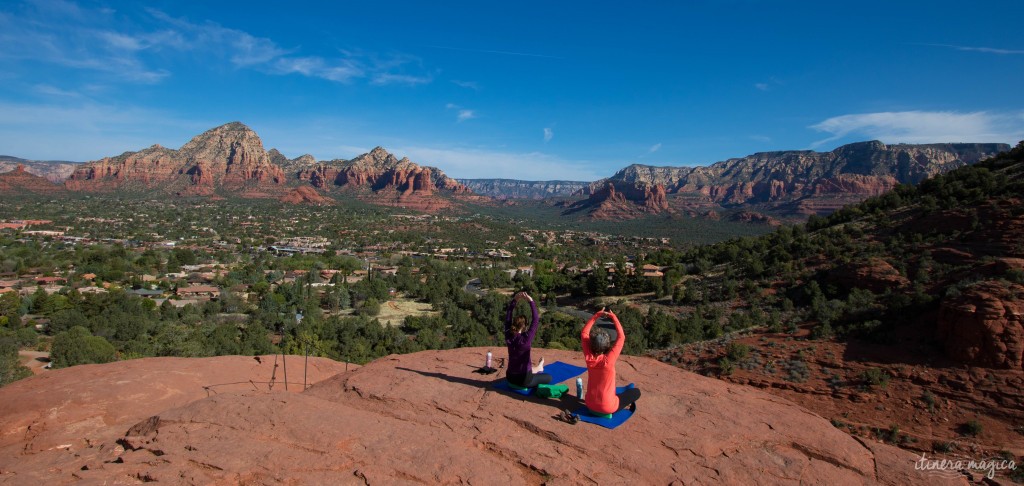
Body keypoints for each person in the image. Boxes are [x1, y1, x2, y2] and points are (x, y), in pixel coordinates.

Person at [580, 308, 641, 415]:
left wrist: (596, 315)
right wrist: (613, 317)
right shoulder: (608, 360)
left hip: (589, 404)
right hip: (607, 407)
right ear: (607, 345)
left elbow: (584, 333)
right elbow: (621, 337)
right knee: (636, 392)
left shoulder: (589, 358)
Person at [504, 291, 551, 388]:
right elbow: (536, 319)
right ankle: (539, 368)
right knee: (548, 377)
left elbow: (508, 316)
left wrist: (515, 300)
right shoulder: (526, 338)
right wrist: (531, 301)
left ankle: (538, 368)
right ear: (524, 326)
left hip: (510, 377)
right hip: (524, 380)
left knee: (530, 369)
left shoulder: (509, 335)